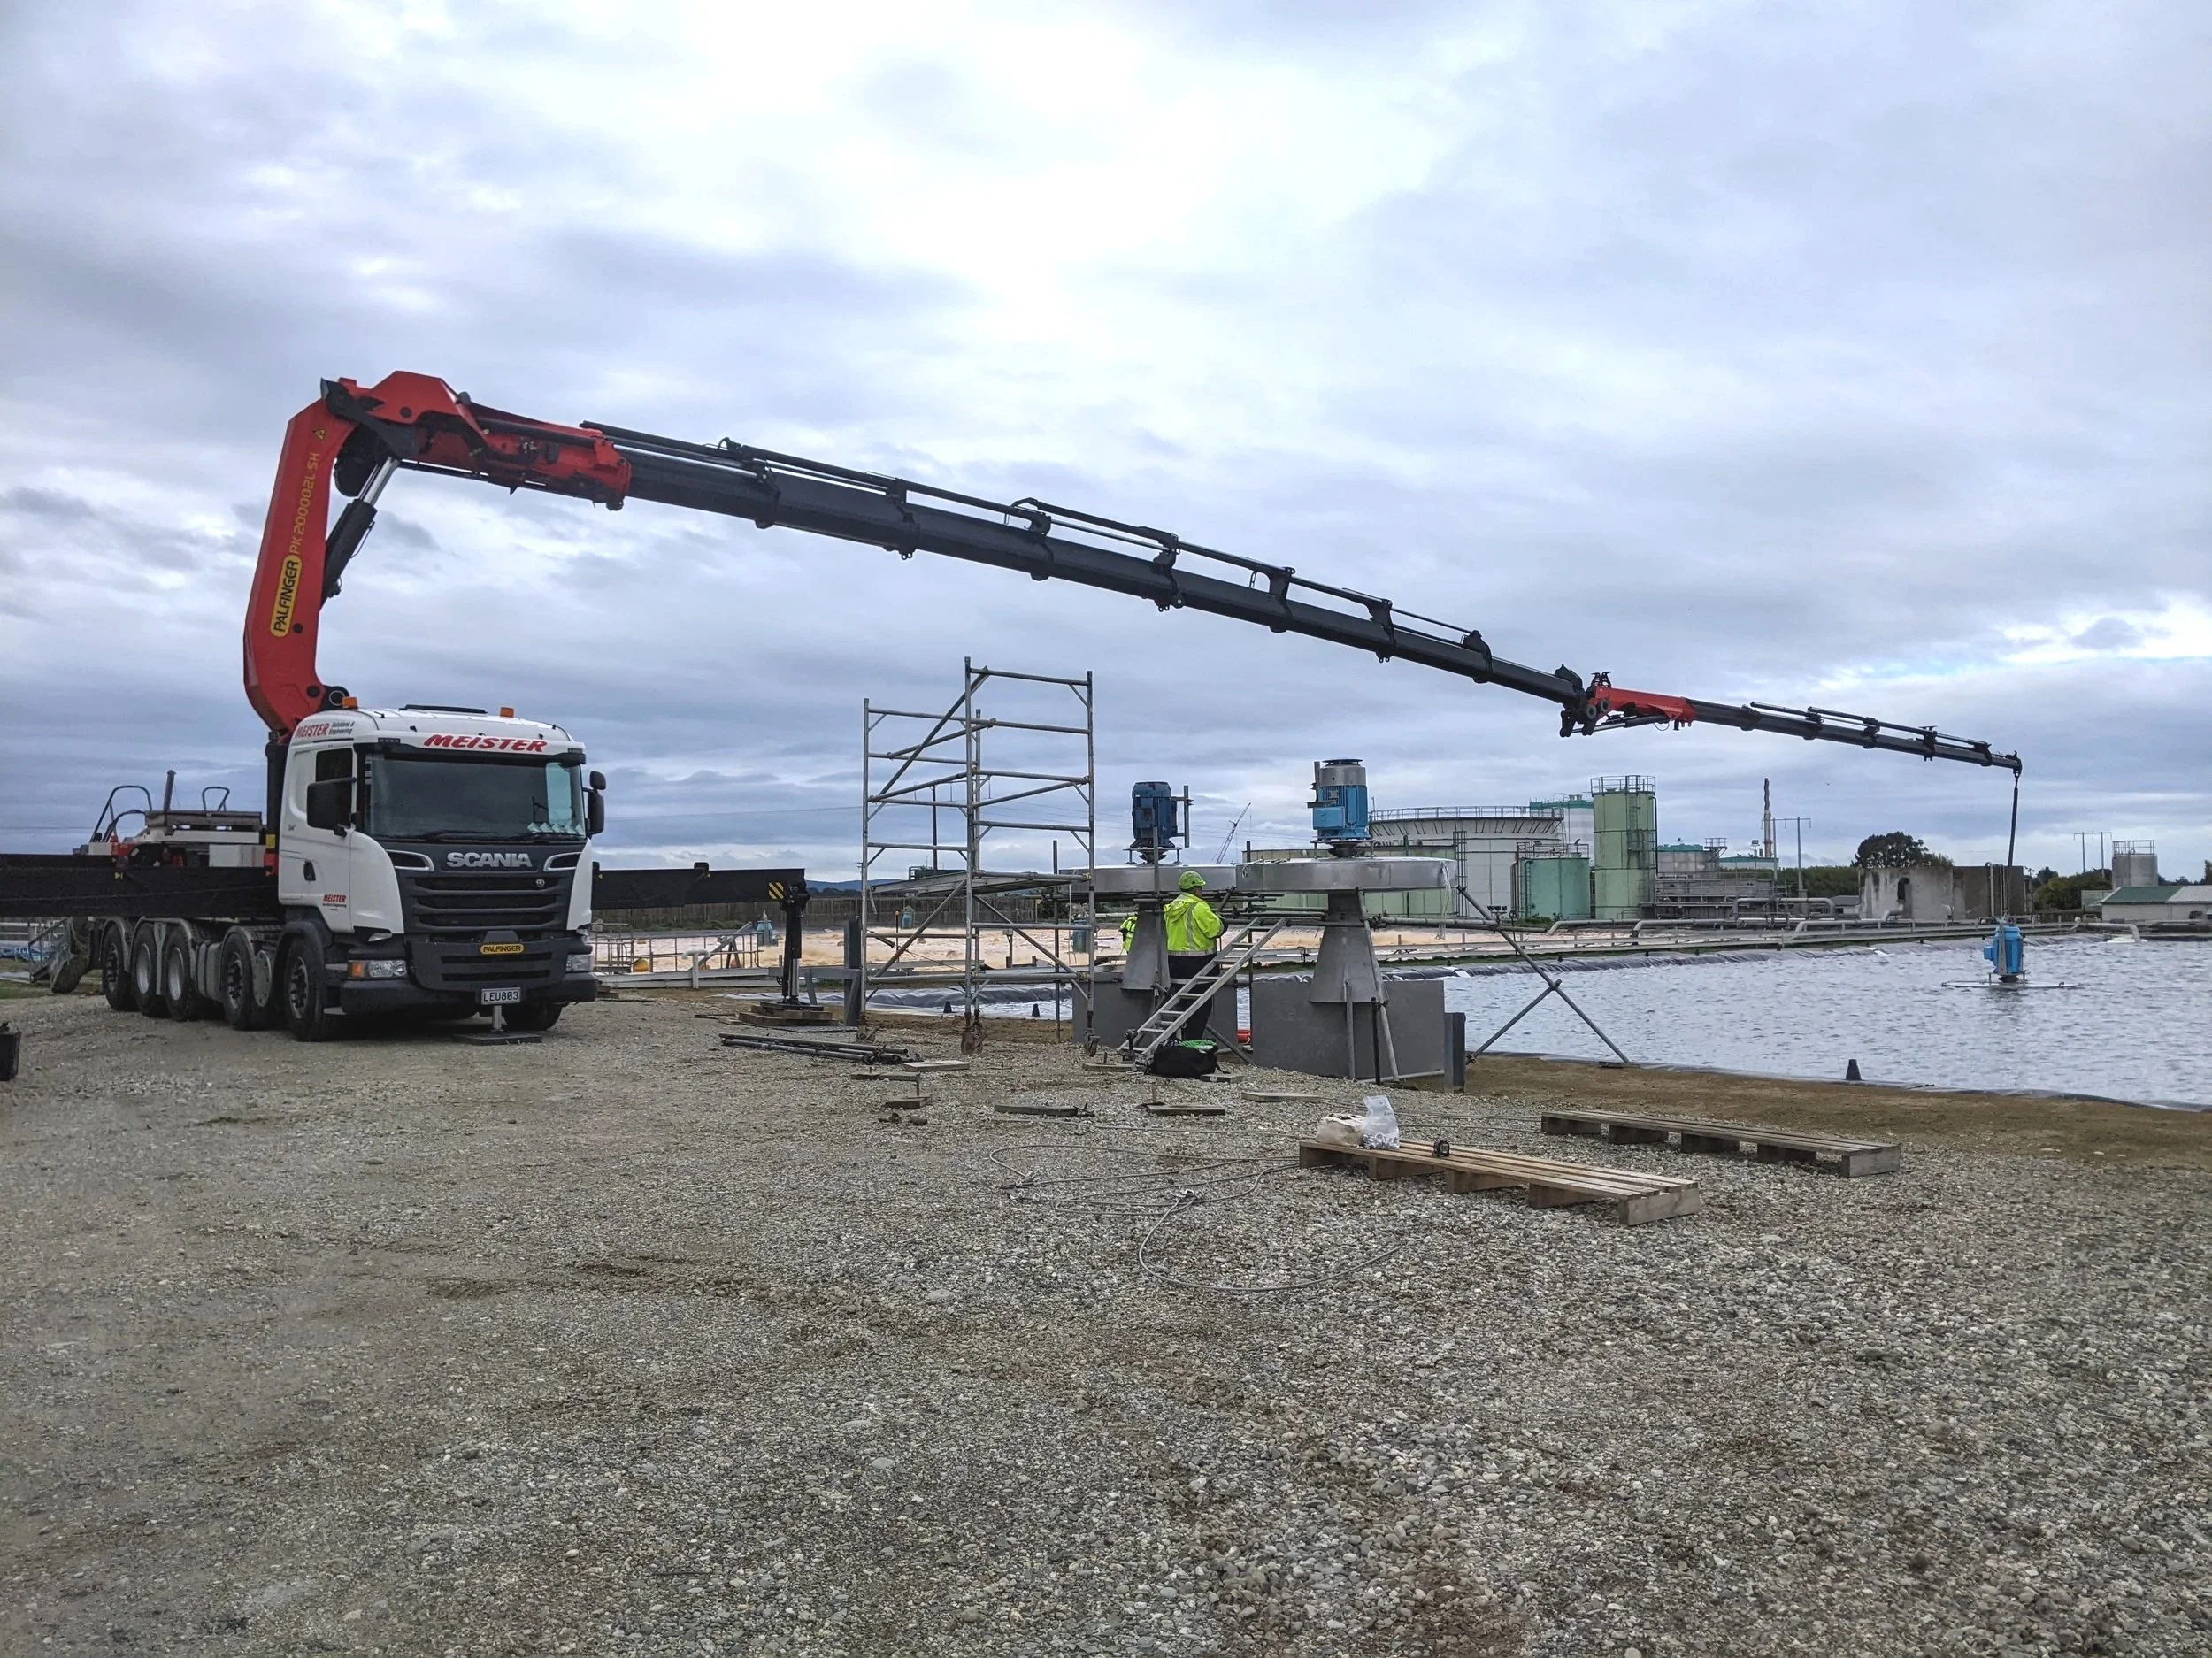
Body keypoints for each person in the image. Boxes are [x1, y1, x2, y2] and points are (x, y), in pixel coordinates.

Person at [1163, 870, 1225, 1040]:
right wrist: (1222, 922)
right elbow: (1214, 930)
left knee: (1180, 1005)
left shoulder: (1172, 907)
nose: (1202, 891)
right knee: (1200, 1008)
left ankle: (1173, 1042)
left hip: (1175, 965)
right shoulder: (1198, 907)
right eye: (1200, 888)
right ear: (1196, 889)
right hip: (1199, 966)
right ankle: (1191, 1044)